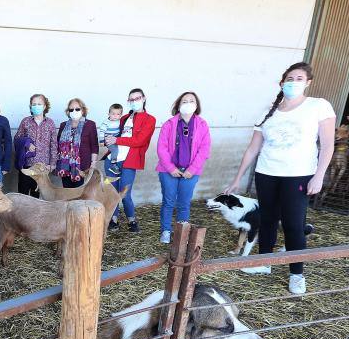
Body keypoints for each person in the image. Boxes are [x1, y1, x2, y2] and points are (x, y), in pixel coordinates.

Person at [224, 62, 335, 295]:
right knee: (268, 218)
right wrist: (237, 178)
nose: (293, 82)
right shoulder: (268, 110)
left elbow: (327, 145)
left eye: (299, 78)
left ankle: (297, 273)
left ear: (308, 82)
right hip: (267, 173)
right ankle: (264, 261)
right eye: (289, 78)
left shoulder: (318, 106)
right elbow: (253, 148)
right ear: (281, 82)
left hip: (298, 174)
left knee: (294, 223)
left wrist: (319, 176)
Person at [156, 92, 211, 244]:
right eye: (184, 101)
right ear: (178, 105)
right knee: (168, 201)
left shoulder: (202, 124)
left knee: (184, 203)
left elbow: (204, 149)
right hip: (168, 171)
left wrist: (192, 170)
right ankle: (166, 230)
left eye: (191, 101)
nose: (188, 103)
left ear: (196, 105)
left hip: (190, 172)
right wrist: (170, 168)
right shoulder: (169, 124)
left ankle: (182, 234)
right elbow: (162, 148)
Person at [104, 88, 156, 232]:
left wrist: (117, 139)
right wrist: (107, 139)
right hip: (112, 160)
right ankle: (113, 220)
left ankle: (132, 220)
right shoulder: (124, 117)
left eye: (137, 98)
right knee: (112, 192)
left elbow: (139, 141)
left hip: (129, 161)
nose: (134, 101)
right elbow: (112, 132)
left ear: (144, 98)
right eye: (131, 99)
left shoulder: (150, 119)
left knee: (125, 192)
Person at [14, 94, 58, 197]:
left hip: (42, 168)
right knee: (23, 196)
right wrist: (26, 143)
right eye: (34, 104)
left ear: (44, 106)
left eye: (39, 104)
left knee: (36, 196)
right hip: (26, 166)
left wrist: (52, 164)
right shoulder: (26, 121)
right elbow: (16, 139)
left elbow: (54, 144)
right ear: (30, 106)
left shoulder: (50, 123)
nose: (36, 106)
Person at [56, 98, 99, 188]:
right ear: (68, 112)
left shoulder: (90, 124)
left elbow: (94, 146)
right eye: (71, 109)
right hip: (65, 166)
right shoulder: (63, 125)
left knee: (81, 196)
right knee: (68, 194)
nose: (74, 111)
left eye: (77, 109)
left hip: (83, 167)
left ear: (83, 110)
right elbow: (57, 145)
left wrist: (93, 163)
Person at [99, 103, 124, 175]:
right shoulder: (106, 122)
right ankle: (113, 165)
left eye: (118, 114)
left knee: (120, 149)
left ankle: (117, 162)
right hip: (108, 140)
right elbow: (101, 132)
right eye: (113, 114)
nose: (115, 116)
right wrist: (101, 141)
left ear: (121, 115)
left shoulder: (120, 121)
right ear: (109, 114)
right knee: (115, 149)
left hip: (116, 138)